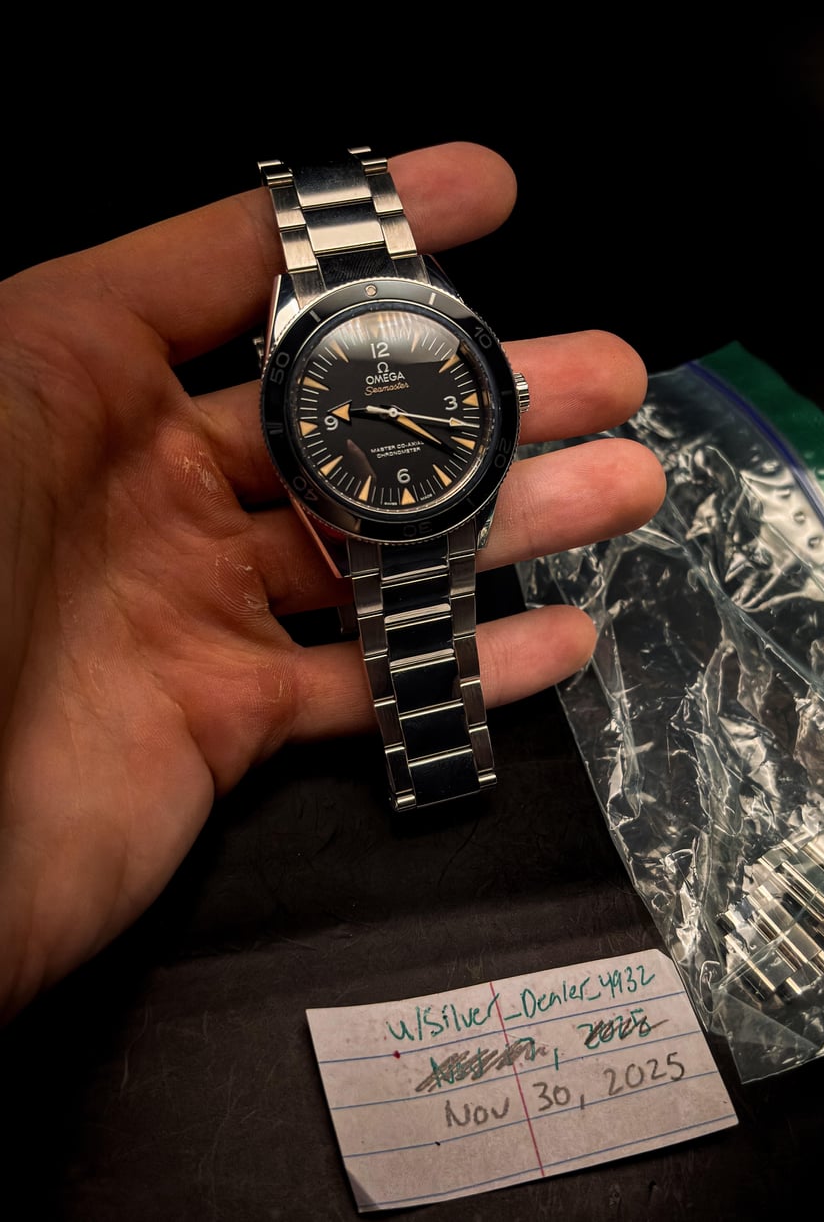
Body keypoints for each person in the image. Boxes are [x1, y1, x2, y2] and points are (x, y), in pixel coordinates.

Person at [0, 141, 667, 1026]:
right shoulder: (321, 389)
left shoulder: (444, 367)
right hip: (372, 506)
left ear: (503, 394)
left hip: (434, 497)